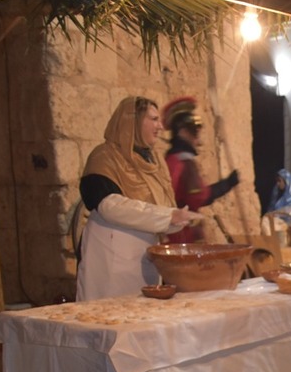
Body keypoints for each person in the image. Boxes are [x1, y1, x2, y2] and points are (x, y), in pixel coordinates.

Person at [77, 96, 202, 301]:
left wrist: (175, 220)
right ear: (133, 121)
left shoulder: (154, 161)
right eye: (153, 119)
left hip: (144, 258)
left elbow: (162, 206)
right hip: (112, 257)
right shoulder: (105, 157)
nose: (160, 126)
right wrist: (167, 217)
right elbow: (110, 206)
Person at [160, 96, 240, 243]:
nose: (198, 140)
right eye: (194, 132)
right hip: (182, 236)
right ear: (183, 132)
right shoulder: (185, 163)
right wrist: (227, 184)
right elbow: (198, 197)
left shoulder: (170, 159)